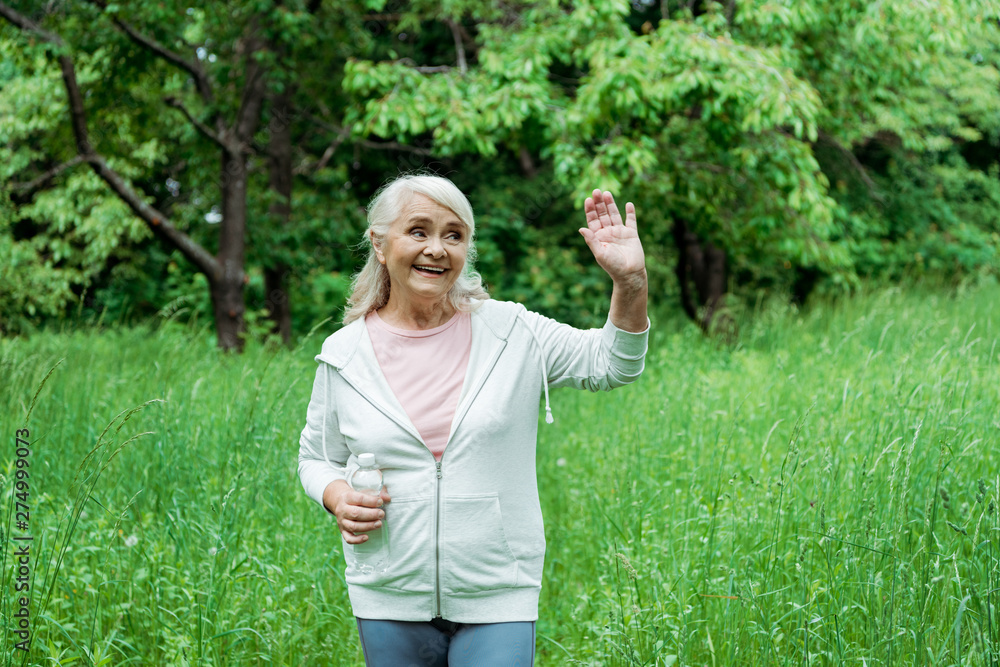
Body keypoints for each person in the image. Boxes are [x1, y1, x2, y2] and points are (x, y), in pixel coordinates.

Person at [297, 173, 650, 666]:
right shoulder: (343, 354)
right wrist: (336, 496)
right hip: (388, 587)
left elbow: (613, 364)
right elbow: (316, 458)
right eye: (418, 231)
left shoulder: (513, 331)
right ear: (380, 244)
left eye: (454, 235)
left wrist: (630, 282)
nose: (437, 249)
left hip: (498, 587)